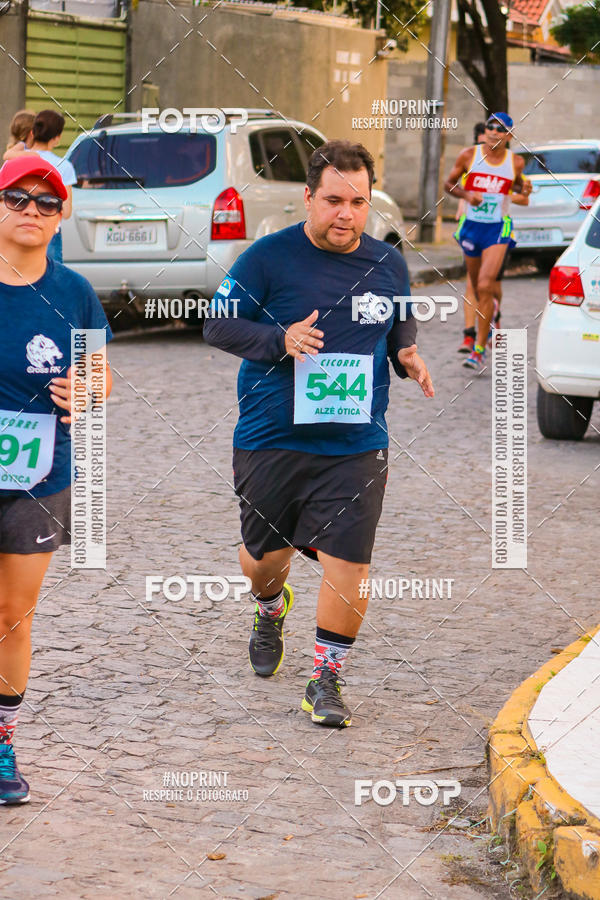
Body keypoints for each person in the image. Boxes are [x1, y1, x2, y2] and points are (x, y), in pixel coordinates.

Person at [203, 140, 433, 728]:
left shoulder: (388, 262)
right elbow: (217, 325)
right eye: (333, 201)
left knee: (350, 563)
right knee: (263, 559)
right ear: (308, 197)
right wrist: (279, 340)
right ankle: (270, 605)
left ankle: (325, 679)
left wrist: (406, 351)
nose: (346, 215)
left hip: (356, 441)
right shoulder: (267, 258)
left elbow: (398, 317)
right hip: (272, 436)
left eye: (358, 202)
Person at [0, 156, 112, 803]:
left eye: (46, 203)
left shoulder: (74, 293)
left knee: (12, 616)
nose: (31, 211)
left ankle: (2, 744)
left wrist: (90, 389)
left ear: (61, 216)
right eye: (17, 198)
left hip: (40, 475)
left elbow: (100, 374)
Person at [445, 112, 531, 371]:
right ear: (486, 130)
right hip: (472, 227)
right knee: (476, 285)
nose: (494, 132)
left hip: (498, 228)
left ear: (509, 136)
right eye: (490, 126)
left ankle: (478, 349)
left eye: (501, 129)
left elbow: (520, 189)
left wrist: (524, 190)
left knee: (485, 284)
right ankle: (490, 317)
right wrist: (466, 196)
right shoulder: (468, 156)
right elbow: (449, 184)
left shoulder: (515, 162)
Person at [4, 110, 77, 264]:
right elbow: (66, 212)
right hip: (49, 234)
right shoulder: (64, 166)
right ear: (57, 138)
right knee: (50, 276)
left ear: (32, 132)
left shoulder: (12, 160)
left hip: (15, 229)